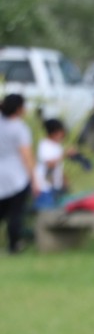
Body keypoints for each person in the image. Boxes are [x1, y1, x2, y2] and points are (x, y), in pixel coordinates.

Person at [0, 94, 36, 253]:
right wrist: (34, 179)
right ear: (19, 108)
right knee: (15, 214)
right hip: (16, 176)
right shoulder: (19, 128)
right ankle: (13, 246)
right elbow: (26, 155)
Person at [33, 118, 73, 210]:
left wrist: (64, 179)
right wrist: (65, 154)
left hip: (56, 187)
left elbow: (58, 167)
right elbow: (49, 164)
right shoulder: (44, 145)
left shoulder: (57, 147)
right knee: (45, 215)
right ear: (54, 132)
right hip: (44, 187)